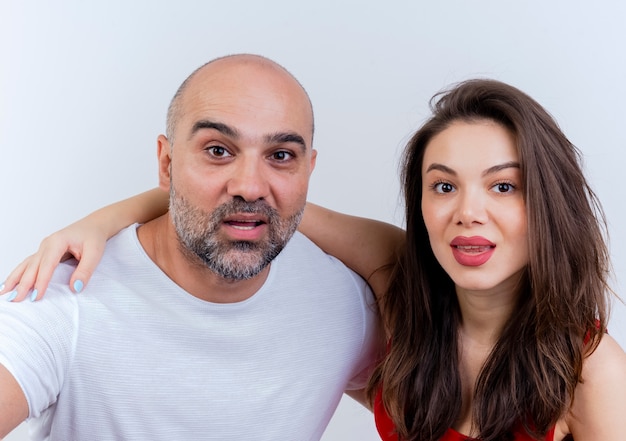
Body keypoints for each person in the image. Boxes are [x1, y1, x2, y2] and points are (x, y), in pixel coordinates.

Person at [4, 79, 626, 440]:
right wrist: (100, 222)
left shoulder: (587, 365)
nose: (468, 211)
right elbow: (255, 207)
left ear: (546, 201)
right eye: (443, 186)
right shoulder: (399, 294)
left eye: (503, 186)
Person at [0, 54, 383, 440]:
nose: (249, 187)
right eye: (218, 151)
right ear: (167, 163)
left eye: (281, 156)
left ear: (308, 170)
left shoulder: (343, 306)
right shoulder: (64, 300)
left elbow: (432, 417)